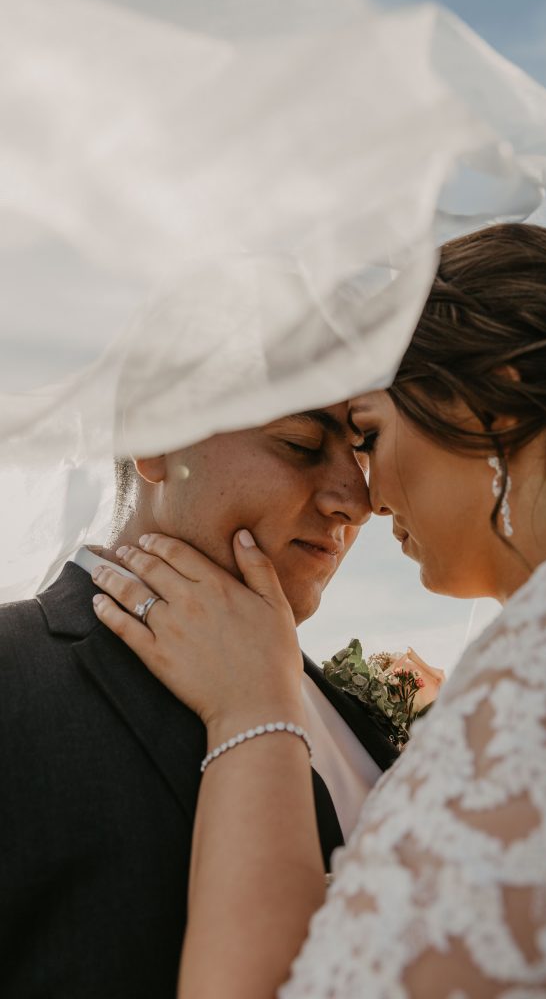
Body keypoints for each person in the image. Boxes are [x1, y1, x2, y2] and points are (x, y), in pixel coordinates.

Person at [93, 223, 546, 997]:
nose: (365, 498)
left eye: (367, 433)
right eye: (310, 442)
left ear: (490, 408)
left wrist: (252, 713)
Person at [0, 404, 399, 999]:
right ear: (156, 433)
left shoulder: (341, 707)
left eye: (363, 448)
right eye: (300, 443)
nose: (358, 500)